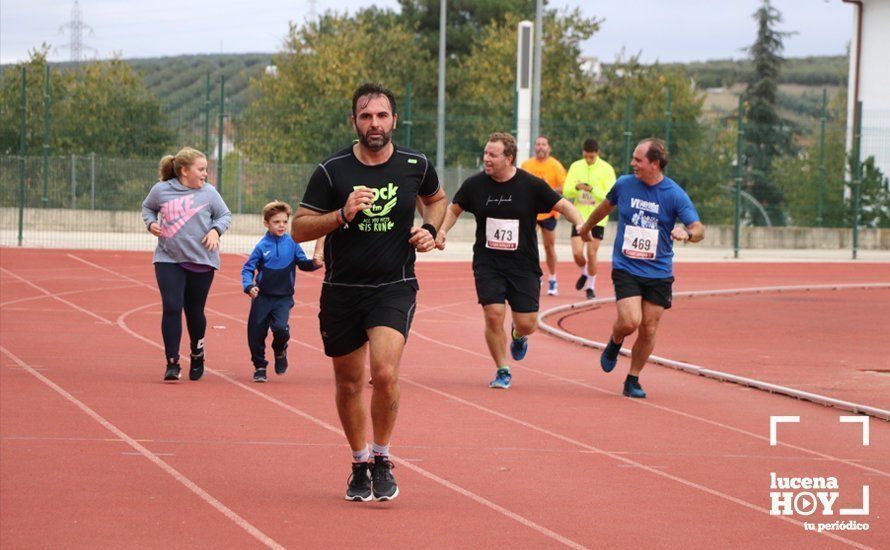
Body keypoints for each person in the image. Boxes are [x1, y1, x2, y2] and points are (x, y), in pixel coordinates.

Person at [292, 83, 446, 502]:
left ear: (394, 120)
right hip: (341, 289)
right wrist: (342, 214)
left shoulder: (416, 163)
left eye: (381, 116)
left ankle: (382, 456)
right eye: (365, 116)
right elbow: (299, 227)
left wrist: (430, 230)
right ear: (354, 122)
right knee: (348, 383)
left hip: (393, 287)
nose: (374, 124)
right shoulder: (332, 169)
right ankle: (359, 462)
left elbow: (436, 200)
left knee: (385, 372)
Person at [435, 133, 584, 389]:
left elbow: (562, 205)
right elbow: (454, 209)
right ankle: (502, 369)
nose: (486, 159)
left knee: (528, 323)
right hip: (488, 262)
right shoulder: (475, 185)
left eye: (493, 155)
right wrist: (442, 230)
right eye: (485, 153)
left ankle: (518, 334)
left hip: (522, 264)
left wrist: (581, 222)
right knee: (493, 314)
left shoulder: (531, 185)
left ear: (509, 158)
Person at [579, 138, 704, 398]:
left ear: (654, 164)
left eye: (638, 160)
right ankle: (615, 341)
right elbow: (604, 207)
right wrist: (586, 227)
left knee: (648, 327)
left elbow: (699, 229)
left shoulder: (673, 194)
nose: (632, 163)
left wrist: (687, 234)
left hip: (659, 271)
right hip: (627, 265)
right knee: (629, 321)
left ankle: (632, 379)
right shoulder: (624, 184)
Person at [141, 147, 232, 382]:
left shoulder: (209, 193)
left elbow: (224, 215)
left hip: (202, 260)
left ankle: (197, 352)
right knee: (171, 307)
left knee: (194, 312)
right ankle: (172, 362)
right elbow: (147, 207)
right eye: (201, 169)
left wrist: (215, 231)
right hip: (168, 259)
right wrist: (151, 224)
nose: (205, 174)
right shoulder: (161, 191)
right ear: (184, 171)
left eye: (206, 169)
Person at [241, 201, 324, 383]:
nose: (281, 226)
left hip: (283, 298)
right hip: (262, 297)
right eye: (276, 222)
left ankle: (280, 350)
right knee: (255, 334)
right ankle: (260, 366)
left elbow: (302, 263)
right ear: (266, 224)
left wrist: (314, 264)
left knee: (280, 329)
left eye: (285, 222)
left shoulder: (293, 243)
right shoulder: (262, 246)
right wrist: (248, 286)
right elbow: (248, 269)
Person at [563, 139, 616, 300]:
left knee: (591, 253)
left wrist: (592, 189)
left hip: (598, 218)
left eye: (592, 157)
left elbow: (611, 195)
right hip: (579, 217)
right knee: (577, 253)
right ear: (583, 153)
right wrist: (576, 188)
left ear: (597, 153)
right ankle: (584, 272)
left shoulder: (606, 169)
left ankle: (591, 286)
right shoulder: (576, 166)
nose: (589, 160)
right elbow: (566, 192)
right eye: (586, 156)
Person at [520, 136, 567, 296]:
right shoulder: (527, 165)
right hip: (530, 212)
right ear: (535, 147)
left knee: (549, 246)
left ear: (549, 148)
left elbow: (563, 187)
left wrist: (548, 192)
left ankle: (553, 279)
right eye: (538, 144)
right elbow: (519, 183)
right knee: (527, 245)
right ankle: (534, 275)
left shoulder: (556, 166)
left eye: (543, 144)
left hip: (548, 212)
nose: (540, 147)